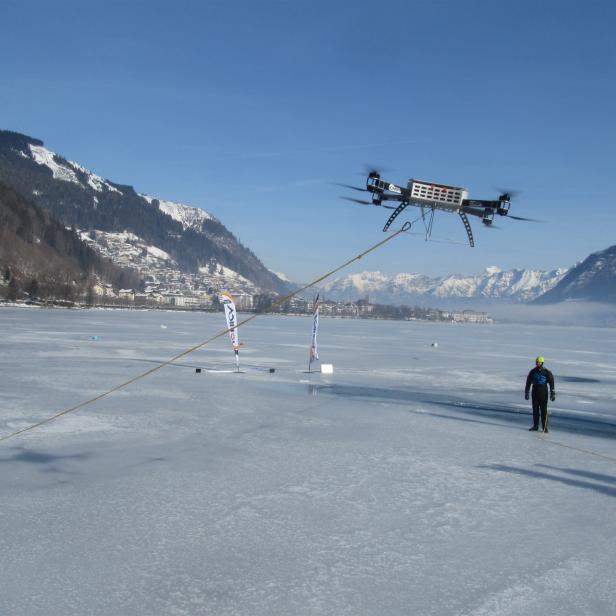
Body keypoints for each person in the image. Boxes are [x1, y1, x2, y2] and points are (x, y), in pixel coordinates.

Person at [525, 356, 556, 432]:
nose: (538, 363)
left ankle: (545, 427)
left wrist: (552, 393)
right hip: (535, 393)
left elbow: (551, 382)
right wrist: (527, 392)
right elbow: (528, 382)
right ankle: (535, 426)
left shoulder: (546, 372)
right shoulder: (533, 371)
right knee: (535, 410)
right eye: (537, 362)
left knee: (543, 410)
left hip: (543, 393)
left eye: (539, 362)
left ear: (542, 363)